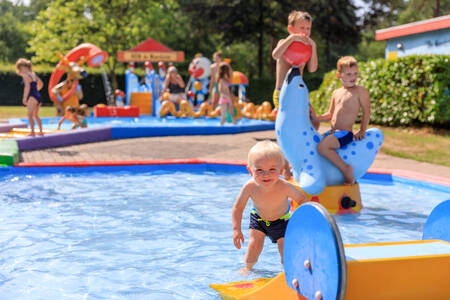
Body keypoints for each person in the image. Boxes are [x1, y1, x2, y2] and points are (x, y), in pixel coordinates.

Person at [232, 140, 307, 274]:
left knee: (285, 247)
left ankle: (287, 271)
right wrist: (237, 229)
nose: (266, 174)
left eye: (272, 169)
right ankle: (248, 268)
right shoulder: (250, 187)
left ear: (281, 169)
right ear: (250, 170)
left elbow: (302, 199)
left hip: (282, 221)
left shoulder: (285, 186)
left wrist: (301, 220)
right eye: (259, 170)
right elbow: (238, 207)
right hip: (259, 219)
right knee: (254, 244)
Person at [312, 56, 371, 185]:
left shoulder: (360, 91)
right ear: (339, 75)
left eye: (355, 73)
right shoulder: (336, 92)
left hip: (345, 133)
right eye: (349, 74)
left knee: (322, 147)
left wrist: (362, 130)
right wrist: (316, 118)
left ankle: (346, 169)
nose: (353, 77)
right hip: (333, 132)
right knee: (314, 144)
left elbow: (367, 111)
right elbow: (330, 114)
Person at [271, 10, 319, 129]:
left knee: (314, 122)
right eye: (302, 28)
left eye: (308, 28)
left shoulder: (307, 49)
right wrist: (291, 38)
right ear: (291, 29)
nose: (305, 32)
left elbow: (312, 69)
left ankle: (306, 145)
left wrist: (314, 46)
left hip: (298, 93)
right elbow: (275, 55)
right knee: (289, 123)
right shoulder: (284, 42)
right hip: (282, 92)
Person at [15, 58, 44, 137]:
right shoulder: (33, 74)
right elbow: (41, 83)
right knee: (35, 115)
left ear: (21, 67)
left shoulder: (25, 75)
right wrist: (36, 90)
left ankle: (32, 132)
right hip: (38, 95)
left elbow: (27, 87)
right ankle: (41, 131)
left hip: (32, 96)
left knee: (29, 114)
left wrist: (24, 98)